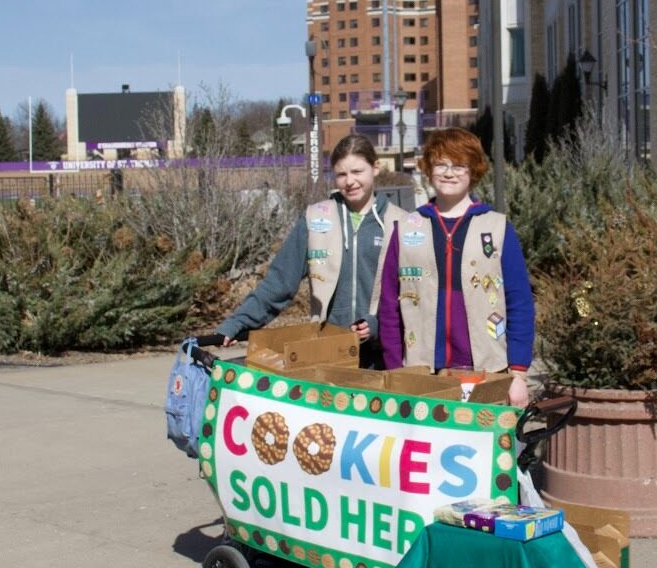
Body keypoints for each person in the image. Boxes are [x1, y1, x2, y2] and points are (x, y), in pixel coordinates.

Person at [377, 128, 533, 407]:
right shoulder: (406, 228)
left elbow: (519, 300)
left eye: (459, 165)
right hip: (422, 369)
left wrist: (518, 373)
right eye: (441, 164)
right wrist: (394, 370)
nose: (449, 173)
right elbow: (389, 305)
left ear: (473, 171)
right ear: (428, 168)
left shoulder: (496, 227)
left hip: (485, 367)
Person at [218, 135, 405, 366]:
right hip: (328, 352)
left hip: (382, 357)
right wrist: (237, 323)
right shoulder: (315, 218)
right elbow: (278, 282)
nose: (350, 181)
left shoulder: (400, 222)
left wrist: (378, 324)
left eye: (357, 172)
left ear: (375, 168)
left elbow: (411, 296)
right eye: (341, 174)